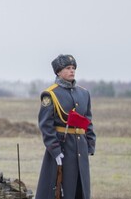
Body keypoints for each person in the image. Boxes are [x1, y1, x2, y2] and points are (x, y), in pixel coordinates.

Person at [35, 54, 96, 199]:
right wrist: (55, 151)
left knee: (80, 190)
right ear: (58, 72)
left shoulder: (84, 93)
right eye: (68, 68)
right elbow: (46, 126)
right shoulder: (50, 94)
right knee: (60, 191)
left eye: (73, 68)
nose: (72, 71)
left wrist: (90, 145)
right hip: (62, 149)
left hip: (80, 148)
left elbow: (88, 121)